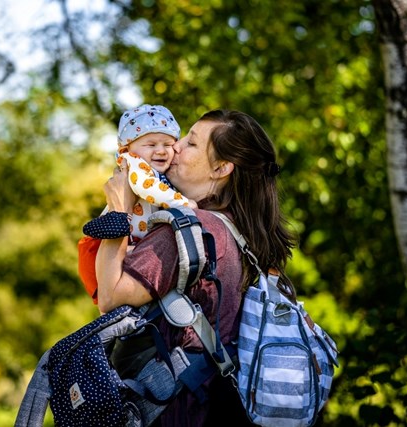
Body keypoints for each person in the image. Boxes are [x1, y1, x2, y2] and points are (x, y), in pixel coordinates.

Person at [95, 109, 297, 426]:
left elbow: (110, 296)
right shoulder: (244, 235)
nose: (174, 148)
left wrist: (118, 210)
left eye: (190, 143)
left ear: (220, 168)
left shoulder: (188, 231)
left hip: (179, 411)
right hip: (221, 407)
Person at [78, 104, 195, 304]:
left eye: (167, 144)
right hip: (115, 239)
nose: (161, 151)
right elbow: (147, 187)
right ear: (127, 148)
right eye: (151, 145)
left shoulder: (158, 171)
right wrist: (184, 203)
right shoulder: (134, 164)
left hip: (134, 239)